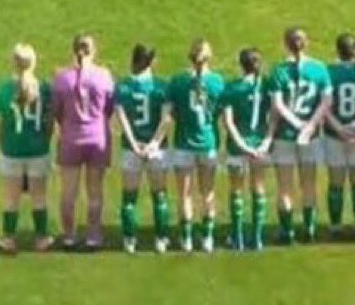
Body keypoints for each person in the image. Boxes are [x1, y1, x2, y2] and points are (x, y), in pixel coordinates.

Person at [157, 38, 225, 253]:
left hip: (183, 144)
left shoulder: (177, 82)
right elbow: (221, 113)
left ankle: (186, 239)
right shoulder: (217, 82)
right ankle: (208, 237)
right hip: (208, 143)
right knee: (208, 192)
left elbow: (169, 113)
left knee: (184, 194)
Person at [268, 27, 333, 244]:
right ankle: (310, 228)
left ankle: (287, 232)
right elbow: (326, 102)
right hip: (311, 135)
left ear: (286, 44)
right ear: (306, 43)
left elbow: (277, 105)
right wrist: (310, 126)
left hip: (285, 135)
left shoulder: (278, 71)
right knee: (309, 184)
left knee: (285, 186)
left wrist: (296, 124)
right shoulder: (319, 69)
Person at [51, 34, 114, 251]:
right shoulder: (104, 76)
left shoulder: (62, 79)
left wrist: (68, 123)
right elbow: (109, 107)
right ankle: (93, 236)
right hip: (97, 138)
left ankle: (69, 236)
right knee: (95, 191)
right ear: (93, 51)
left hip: (70, 138)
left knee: (68, 192)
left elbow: (56, 111)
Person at [0, 44, 54, 253]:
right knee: (39, 196)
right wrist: (44, 141)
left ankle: (9, 238)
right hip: (38, 149)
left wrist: (1, 144)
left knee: (11, 197)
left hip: (12, 149)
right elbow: (49, 122)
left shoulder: (4, 89)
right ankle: (41, 238)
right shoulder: (44, 88)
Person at [114, 44, 171, 254]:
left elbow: (122, 119)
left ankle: (129, 239)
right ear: (152, 62)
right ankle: (161, 239)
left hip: (131, 149)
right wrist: (154, 143)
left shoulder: (122, 87)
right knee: (160, 195)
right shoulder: (162, 86)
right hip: (157, 149)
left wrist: (134, 143)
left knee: (129, 197)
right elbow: (166, 119)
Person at [222, 47, 275, 251]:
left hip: (238, 148)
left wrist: (242, 146)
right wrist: (265, 142)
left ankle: (238, 238)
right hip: (260, 145)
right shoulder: (267, 86)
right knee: (258, 189)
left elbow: (228, 122)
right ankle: (258, 238)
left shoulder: (232, 88)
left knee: (236, 191)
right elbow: (273, 117)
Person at [323, 33, 355, 238]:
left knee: (335, 180)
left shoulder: (328, 73)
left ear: (338, 50)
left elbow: (323, 106)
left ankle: (335, 225)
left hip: (333, 133)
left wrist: (338, 128)